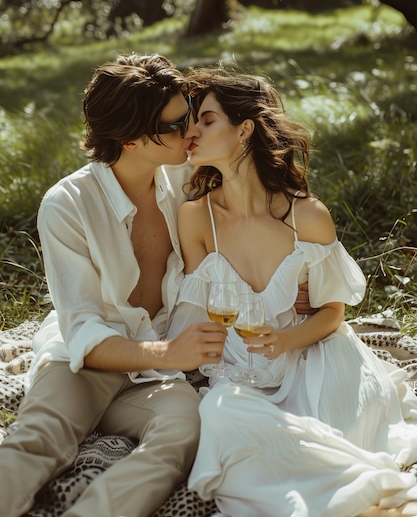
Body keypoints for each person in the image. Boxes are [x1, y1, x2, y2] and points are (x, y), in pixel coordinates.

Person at [171, 67, 417, 517]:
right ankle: (362, 496)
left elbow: (332, 313)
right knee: (222, 415)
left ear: (244, 130)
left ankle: (362, 499)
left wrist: (285, 340)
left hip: (315, 355)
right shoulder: (196, 219)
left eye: (206, 120)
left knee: (322, 424)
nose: (191, 132)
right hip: (241, 374)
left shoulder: (307, 216)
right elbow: (199, 311)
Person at [0, 53, 231, 517]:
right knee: (37, 440)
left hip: (154, 379)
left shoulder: (188, 178)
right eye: (173, 126)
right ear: (128, 139)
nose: (190, 131)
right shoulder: (67, 205)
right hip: (84, 364)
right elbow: (83, 329)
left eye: (187, 112)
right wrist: (170, 355)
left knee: (183, 435)